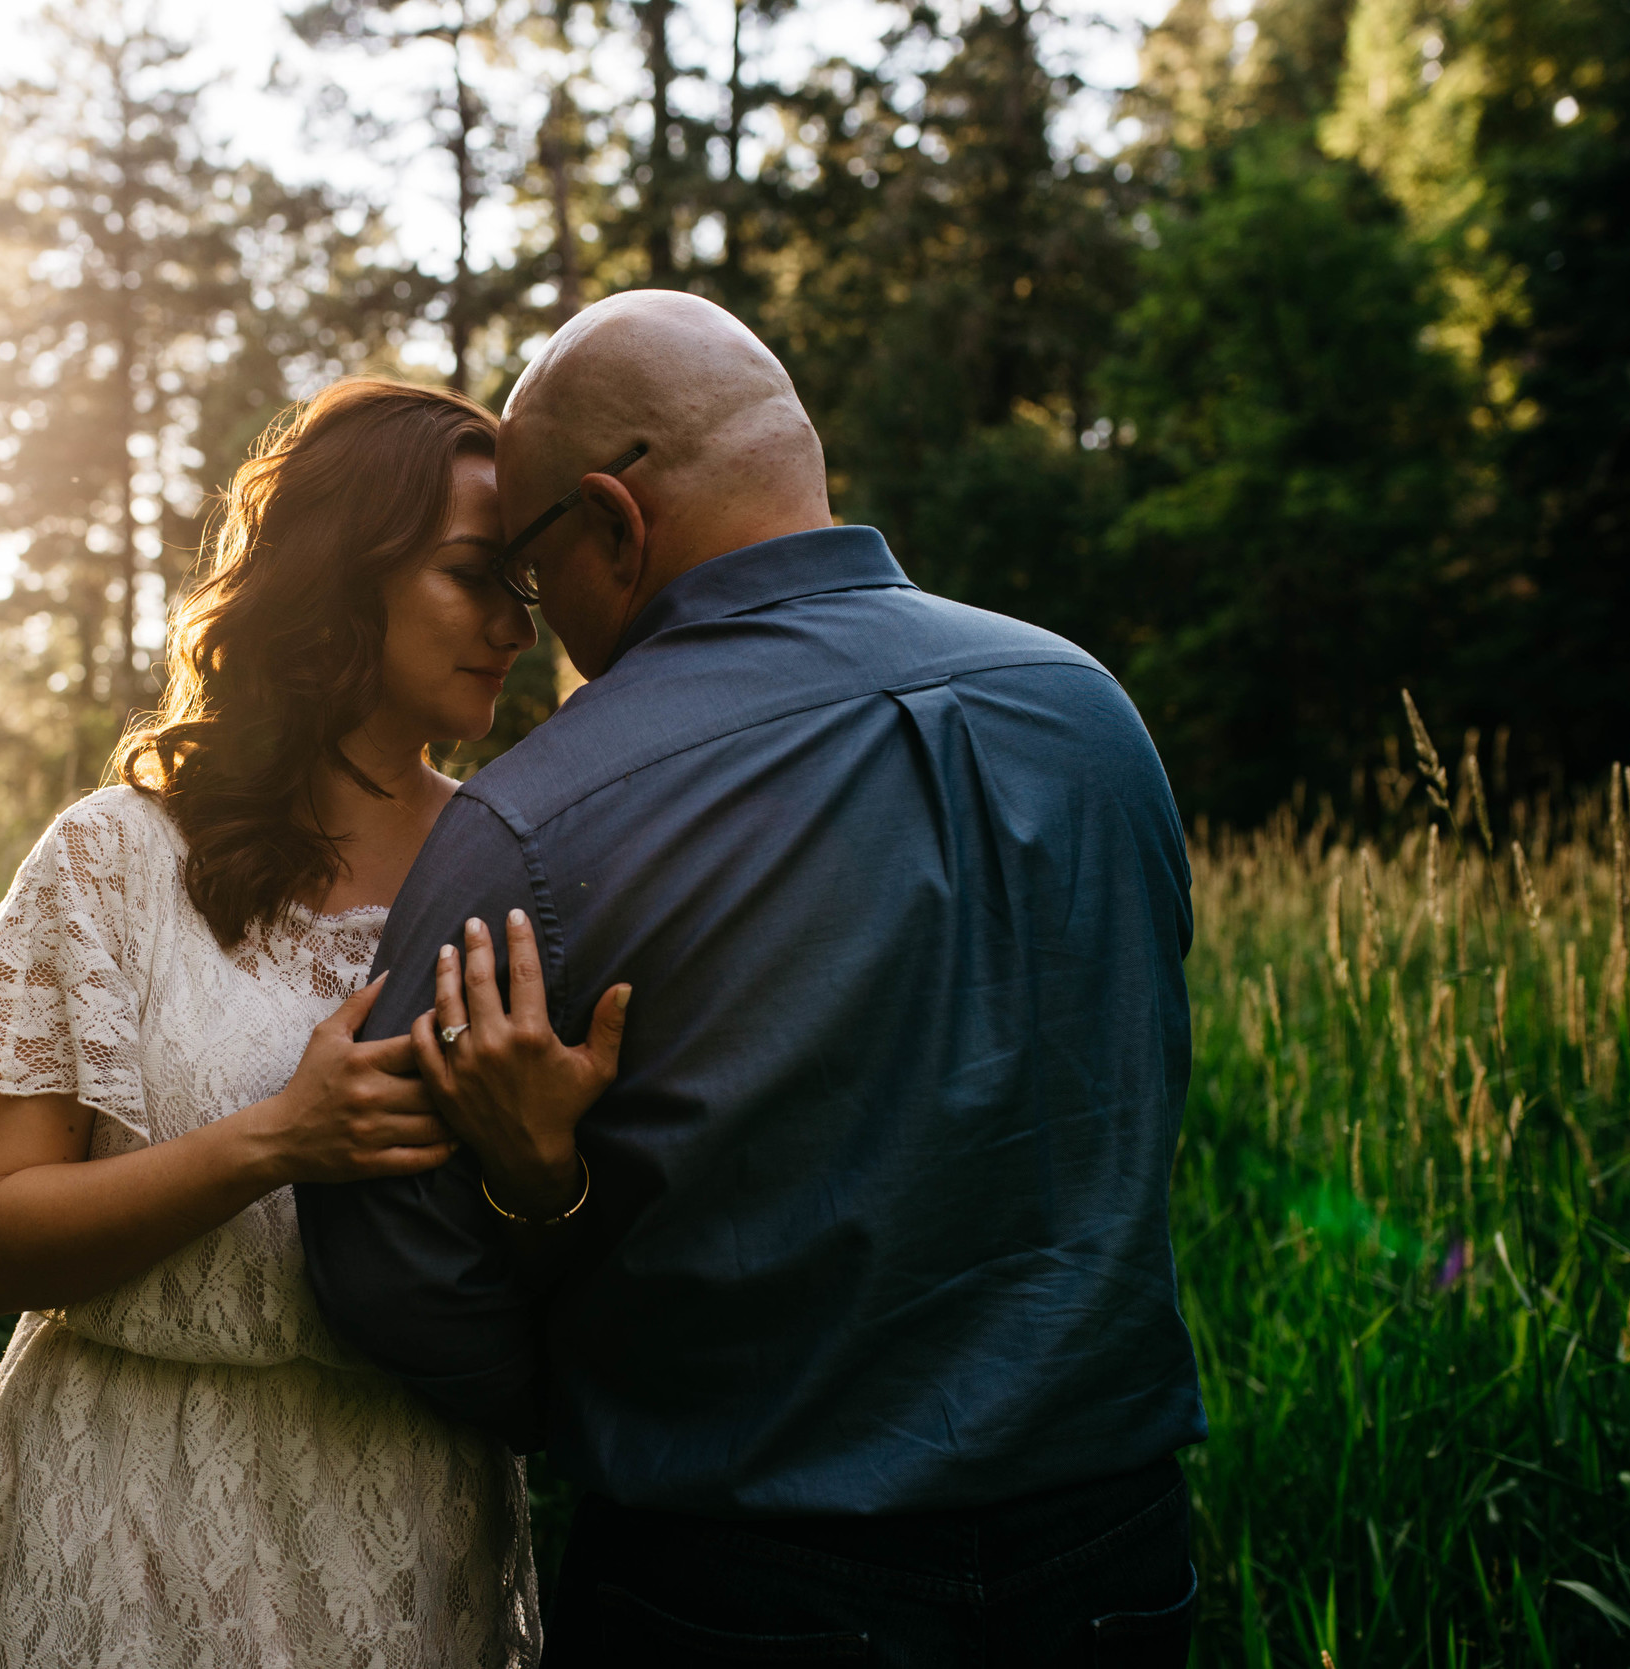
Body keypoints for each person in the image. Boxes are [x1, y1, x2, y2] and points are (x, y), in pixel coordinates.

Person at [296, 291, 1208, 1663]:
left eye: (537, 579)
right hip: (1113, 1557)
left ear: (614, 523)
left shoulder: (536, 824)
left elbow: (387, 1267)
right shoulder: (1091, 715)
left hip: (734, 1578)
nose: (538, 629)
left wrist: (581, 1396)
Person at [0, 379, 592, 1667]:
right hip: (134, 1503)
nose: (513, 624)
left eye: (528, 586)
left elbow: (563, 1286)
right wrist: (277, 1139)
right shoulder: (115, 857)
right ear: (345, 579)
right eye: (471, 576)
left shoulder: (519, 863)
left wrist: (540, 1164)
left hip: (406, 1518)